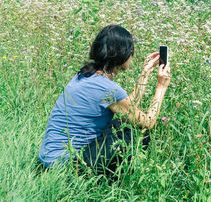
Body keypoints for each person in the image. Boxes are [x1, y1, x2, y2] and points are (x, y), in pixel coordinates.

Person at [38, 25, 171, 174]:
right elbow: (148, 122)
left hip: (49, 160)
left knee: (122, 123)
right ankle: (113, 181)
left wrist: (145, 73)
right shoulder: (107, 89)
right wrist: (161, 86)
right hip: (66, 166)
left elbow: (128, 106)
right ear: (122, 54)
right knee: (137, 132)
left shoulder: (84, 75)